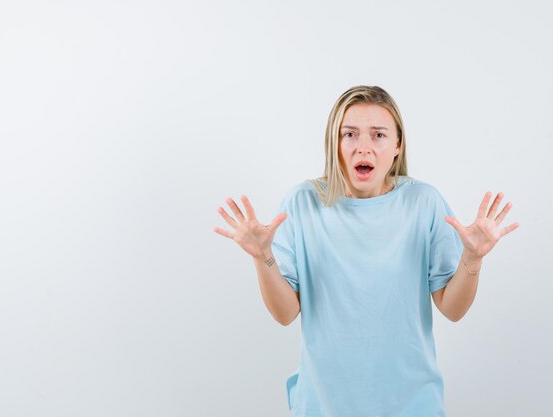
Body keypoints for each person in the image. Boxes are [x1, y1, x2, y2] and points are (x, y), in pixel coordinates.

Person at [213, 85, 519, 417]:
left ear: (397, 145)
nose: (364, 147)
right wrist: (263, 257)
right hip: (323, 406)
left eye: (378, 135)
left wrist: (472, 258)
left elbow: (453, 309)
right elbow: (285, 314)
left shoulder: (425, 203)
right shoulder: (301, 204)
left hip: (412, 405)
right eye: (350, 134)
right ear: (335, 142)